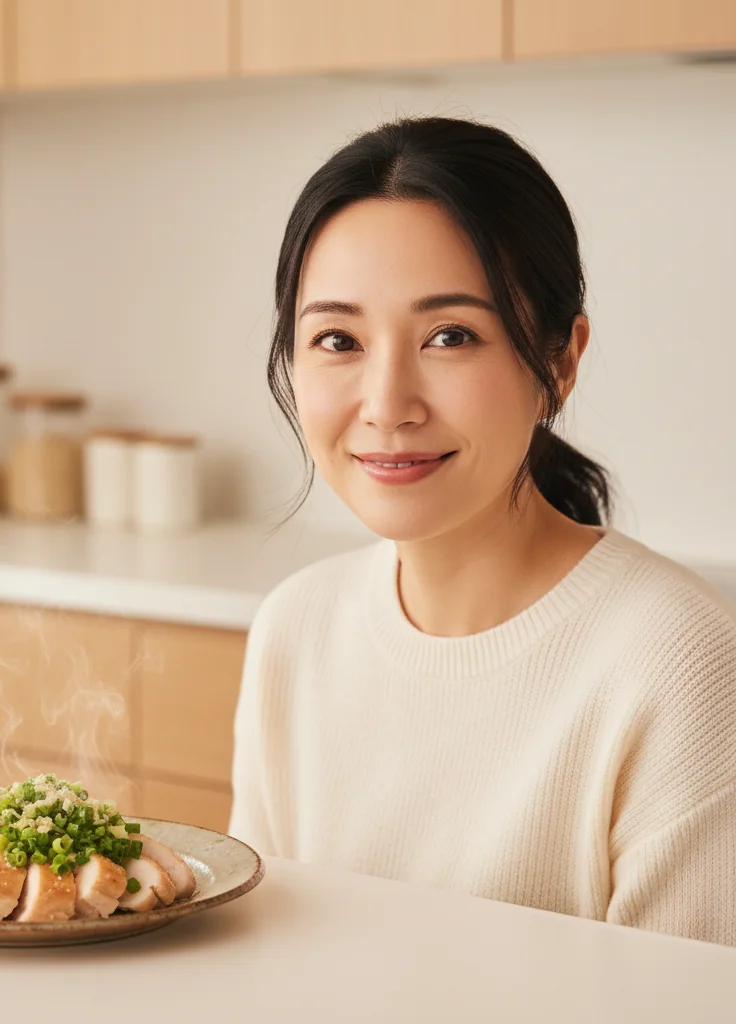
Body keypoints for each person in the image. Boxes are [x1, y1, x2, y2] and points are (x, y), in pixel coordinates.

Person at [229, 117, 736, 947]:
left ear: (560, 361)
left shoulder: (677, 661)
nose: (387, 403)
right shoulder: (296, 627)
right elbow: (260, 962)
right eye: (338, 340)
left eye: (449, 336)